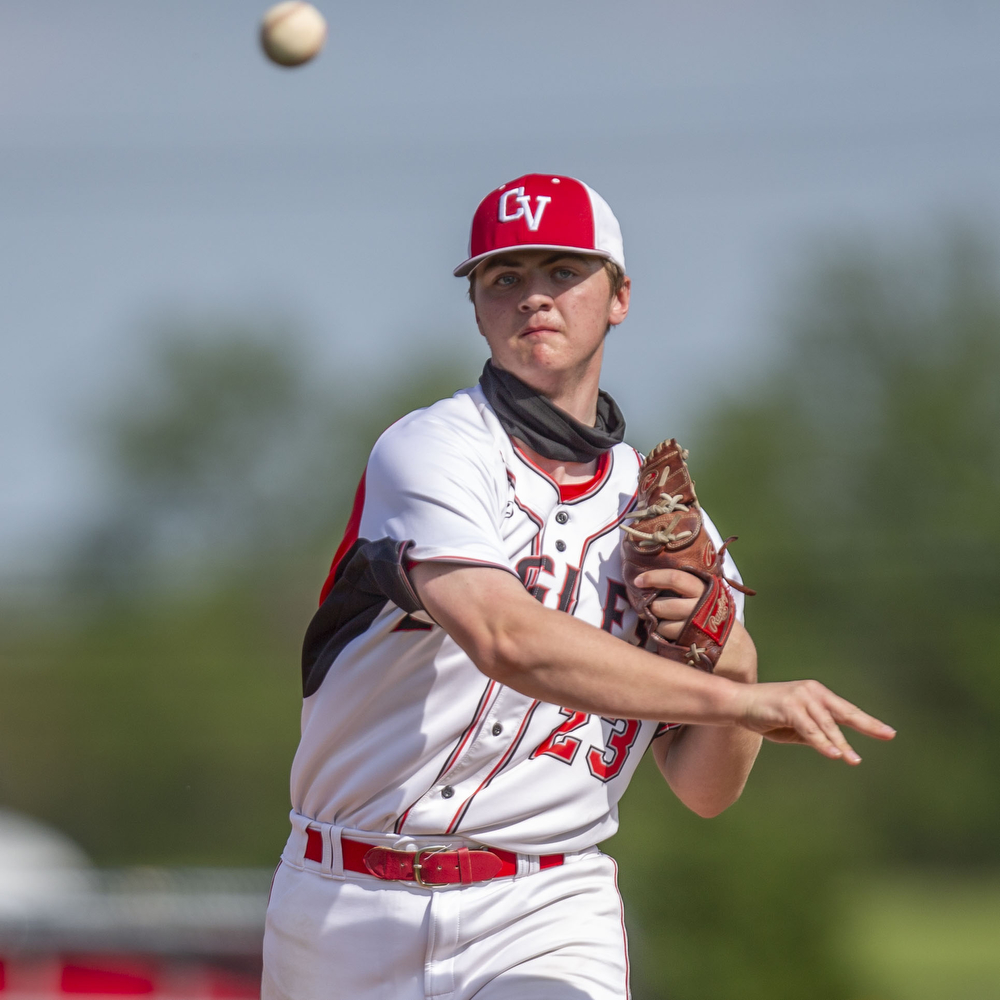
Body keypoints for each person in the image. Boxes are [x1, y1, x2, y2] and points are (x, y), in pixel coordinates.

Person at [261, 173, 894, 1000]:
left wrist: (734, 660)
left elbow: (705, 790)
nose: (535, 298)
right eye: (506, 278)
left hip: (544, 905)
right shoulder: (432, 453)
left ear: (619, 295)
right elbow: (506, 639)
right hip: (347, 906)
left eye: (564, 272)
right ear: (479, 306)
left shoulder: (667, 517)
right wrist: (744, 703)